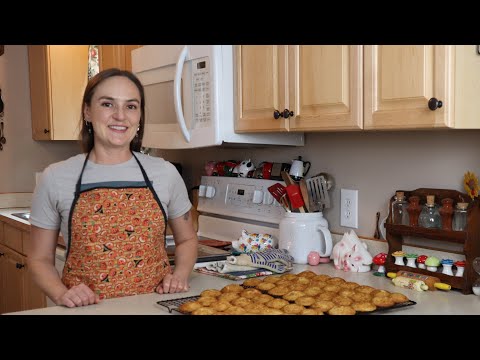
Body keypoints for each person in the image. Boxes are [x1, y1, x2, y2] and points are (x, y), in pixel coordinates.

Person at [27, 68, 198, 308]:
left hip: (154, 308)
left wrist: (179, 275)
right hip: (87, 311)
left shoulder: (165, 173)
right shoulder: (56, 177)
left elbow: (187, 239)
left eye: (131, 106)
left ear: (139, 116)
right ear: (87, 111)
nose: (120, 116)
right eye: (108, 104)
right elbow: (39, 259)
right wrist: (61, 294)